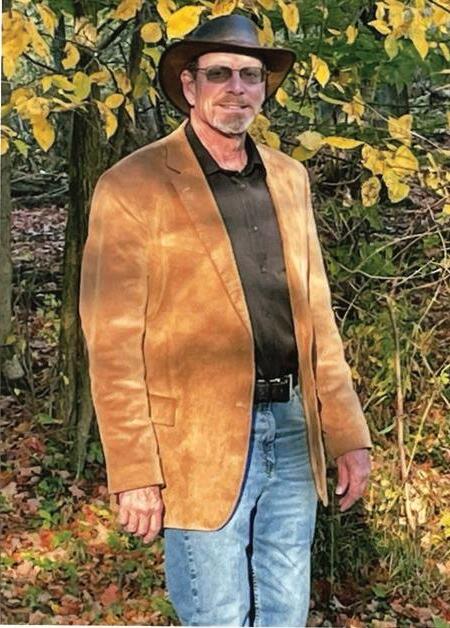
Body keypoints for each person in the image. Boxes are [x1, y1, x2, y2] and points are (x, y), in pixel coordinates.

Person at [79, 13, 372, 627]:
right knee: (218, 614)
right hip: (195, 441)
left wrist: (347, 435)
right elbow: (112, 346)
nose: (236, 88)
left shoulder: (288, 178)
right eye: (219, 74)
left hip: (292, 430)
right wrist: (134, 471)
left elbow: (317, 316)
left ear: (264, 88)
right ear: (189, 86)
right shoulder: (132, 186)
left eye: (250, 75)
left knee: (286, 611)